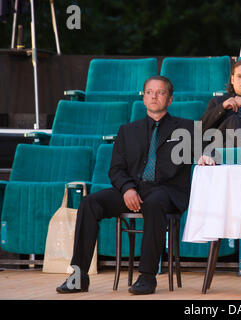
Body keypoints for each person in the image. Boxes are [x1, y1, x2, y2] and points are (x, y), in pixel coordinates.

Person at [56, 76, 195, 295]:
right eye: (149, 92)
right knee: (90, 203)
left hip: (166, 191)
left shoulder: (186, 129)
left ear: (169, 99)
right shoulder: (128, 130)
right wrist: (127, 188)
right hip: (134, 189)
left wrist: (207, 155)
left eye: (160, 92)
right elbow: (116, 169)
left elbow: (211, 145)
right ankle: (78, 276)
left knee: (154, 202)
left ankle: (147, 277)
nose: (154, 96)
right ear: (144, 97)